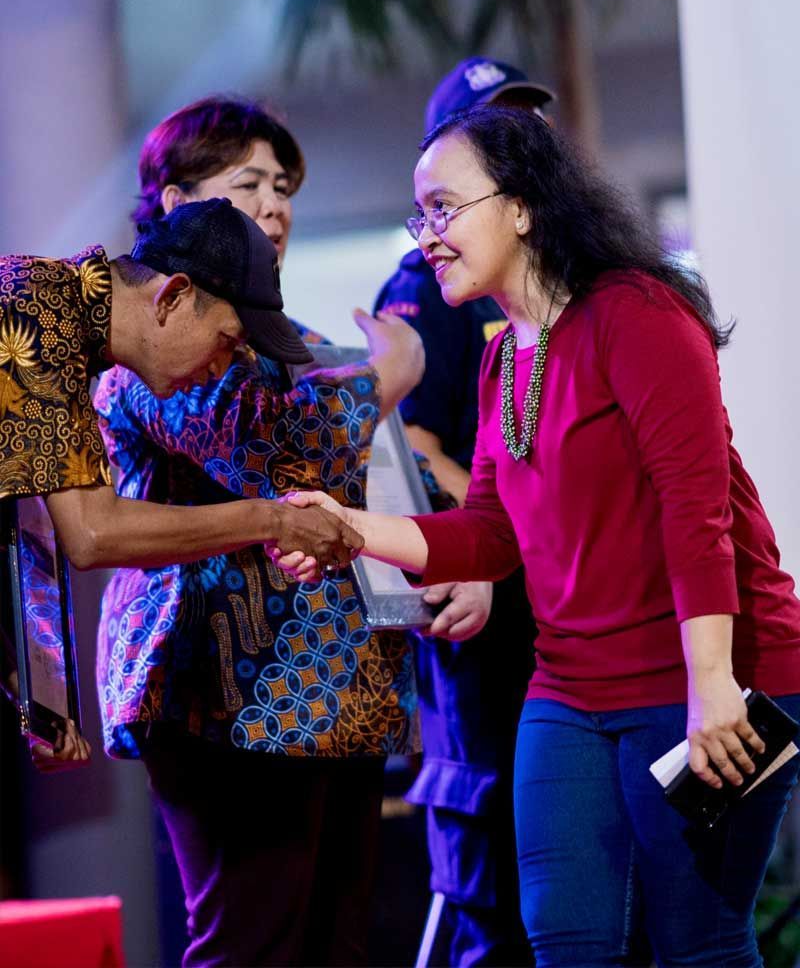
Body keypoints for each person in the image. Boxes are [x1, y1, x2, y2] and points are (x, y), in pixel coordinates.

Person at [282, 105, 800, 967]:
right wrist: (348, 528)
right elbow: (489, 535)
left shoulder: (636, 313)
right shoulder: (502, 360)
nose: (428, 237)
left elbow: (695, 509)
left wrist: (715, 686)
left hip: (710, 676)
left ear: (520, 205)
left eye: (445, 208)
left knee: (697, 946)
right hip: (569, 686)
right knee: (565, 940)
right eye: (421, 216)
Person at [93, 95, 434, 967]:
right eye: (249, 183)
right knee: (253, 945)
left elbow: (384, 470)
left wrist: (453, 560)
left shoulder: (301, 344)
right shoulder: (153, 327)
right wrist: (392, 374)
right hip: (225, 694)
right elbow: (277, 440)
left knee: (340, 944)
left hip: (345, 686)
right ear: (175, 202)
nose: (276, 204)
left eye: (284, 186)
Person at [0, 197, 362, 766]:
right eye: (227, 340)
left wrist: (29, 695)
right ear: (172, 296)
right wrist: (272, 517)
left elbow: (24, 537)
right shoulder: (35, 308)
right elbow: (94, 534)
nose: (224, 367)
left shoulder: (63, 323)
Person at [372, 58, 551, 967]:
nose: (522, 145)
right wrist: (489, 546)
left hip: (568, 627)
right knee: (496, 892)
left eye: (529, 126)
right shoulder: (432, 284)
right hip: (483, 624)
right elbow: (411, 446)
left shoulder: (585, 287)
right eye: (496, 129)